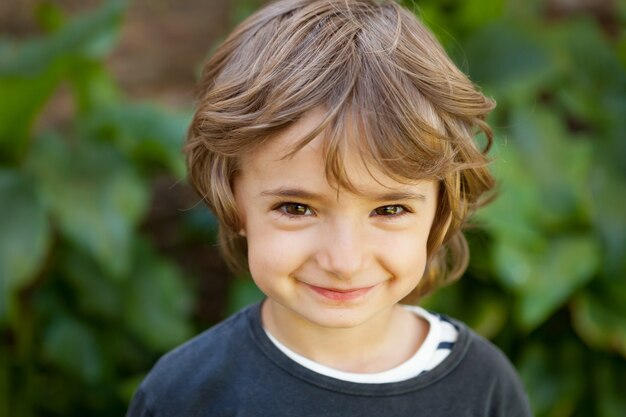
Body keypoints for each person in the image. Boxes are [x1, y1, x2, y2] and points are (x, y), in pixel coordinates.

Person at [127, 0, 533, 416]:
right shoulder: (184, 394)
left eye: (389, 210)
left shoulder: (483, 388)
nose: (344, 260)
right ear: (233, 200)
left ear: (440, 210)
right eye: (297, 208)